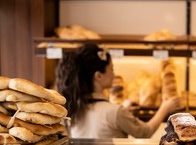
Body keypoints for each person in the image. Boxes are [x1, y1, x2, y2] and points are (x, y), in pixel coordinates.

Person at [55, 43, 183, 138]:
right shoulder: (115, 112)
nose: (114, 74)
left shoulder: (73, 108)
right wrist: (165, 109)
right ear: (98, 76)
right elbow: (145, 132)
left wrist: (122, 107)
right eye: (111, 69)